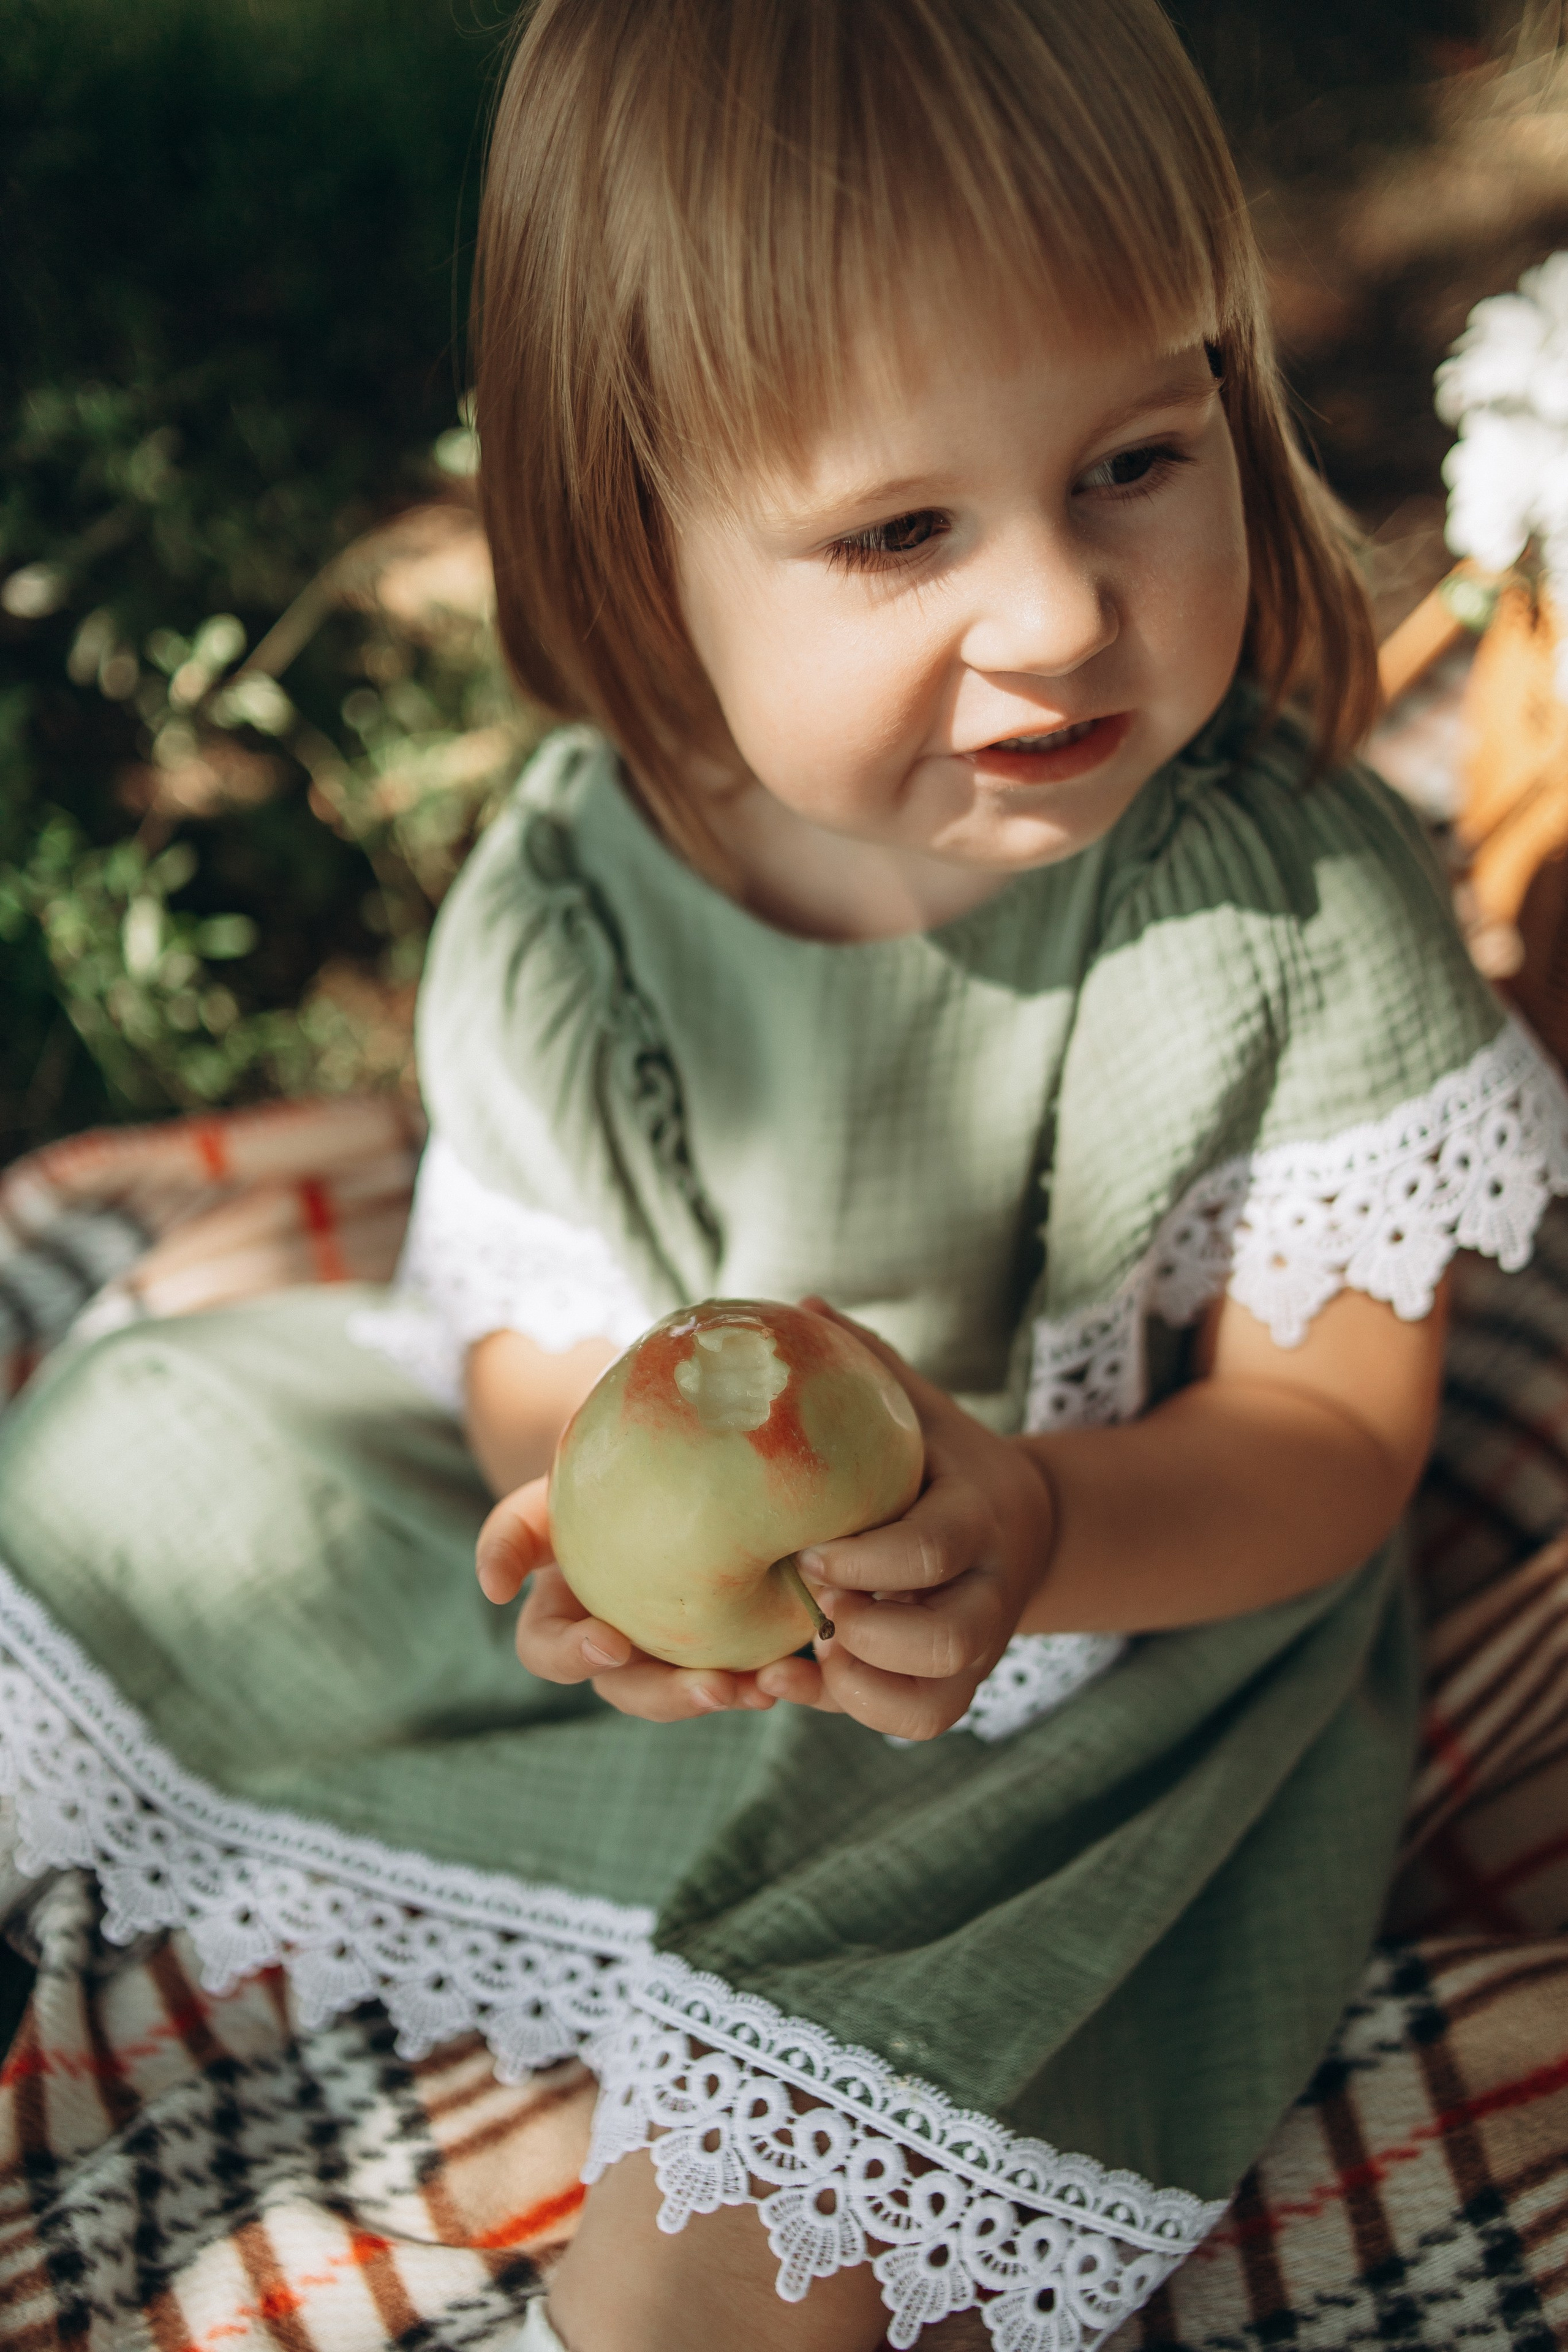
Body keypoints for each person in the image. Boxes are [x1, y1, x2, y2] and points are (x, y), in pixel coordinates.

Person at [3, 1, 1567, 2346]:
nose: (1053, 611)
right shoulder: (573, 912)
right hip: (733, 1662)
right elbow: (544, 1367)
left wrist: (1027, 1529)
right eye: (901, 527)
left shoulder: (1282, 904)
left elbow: (1327, 1447)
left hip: (1115, 1631)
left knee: (768, 2196)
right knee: (131, 1457)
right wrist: (591, 1538)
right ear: (643, 545)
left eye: (1138, 458)